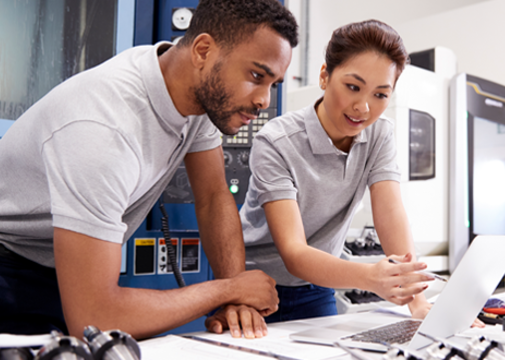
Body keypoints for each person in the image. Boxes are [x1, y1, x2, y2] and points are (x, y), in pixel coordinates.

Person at [0, 0, 297, 339]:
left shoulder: (190, 92)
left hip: (61, 266)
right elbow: (94, 319)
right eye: (256, 76)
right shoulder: (102, 128)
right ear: (203, 51)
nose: (264, 100)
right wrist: (227, 290)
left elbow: (214, 196)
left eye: (273, 84)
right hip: (10, 269)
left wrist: (237, 300)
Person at [207, 20, 433, 327]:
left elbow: (391, 213)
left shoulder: (379, 135)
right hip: (254, 288)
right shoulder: (276, 140)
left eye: (380, 95)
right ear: (325, 76)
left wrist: (418, 303)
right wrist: (370, 277)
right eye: (353, 87)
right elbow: (294, 252)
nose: (363, 107)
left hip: (317, 288)